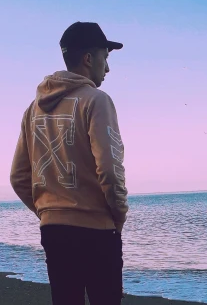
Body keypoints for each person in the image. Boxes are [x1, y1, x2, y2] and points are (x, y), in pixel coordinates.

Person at [10, 21, 129, 305]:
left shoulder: (33, 109)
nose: (108, 69)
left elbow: (19, 177)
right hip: (97, 230)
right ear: (89, 59)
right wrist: (118, 215)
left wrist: (49, 212)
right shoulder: (96, 101)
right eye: (105, 58)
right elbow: (110, 171)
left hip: (55, 232)